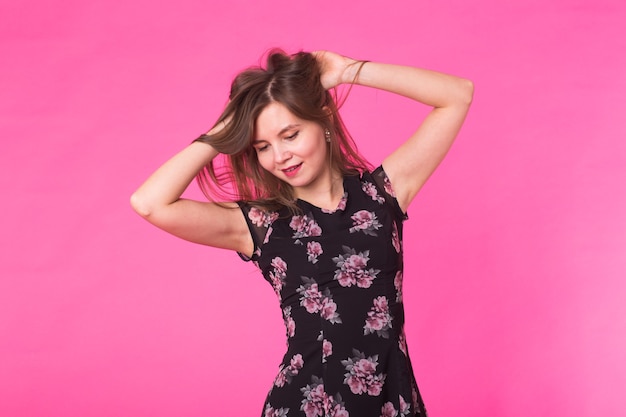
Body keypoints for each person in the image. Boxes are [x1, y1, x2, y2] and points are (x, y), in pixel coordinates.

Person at [131, 49, 473, 417]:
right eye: (263, 146)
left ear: (323, 118)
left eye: (290, 135)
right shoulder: (260, 225)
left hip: (392, 402)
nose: (280, 156)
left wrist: (348, 71)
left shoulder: (381, 196)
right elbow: (150, 202)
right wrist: (229, 126)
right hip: (305, 404)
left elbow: (457, 95)